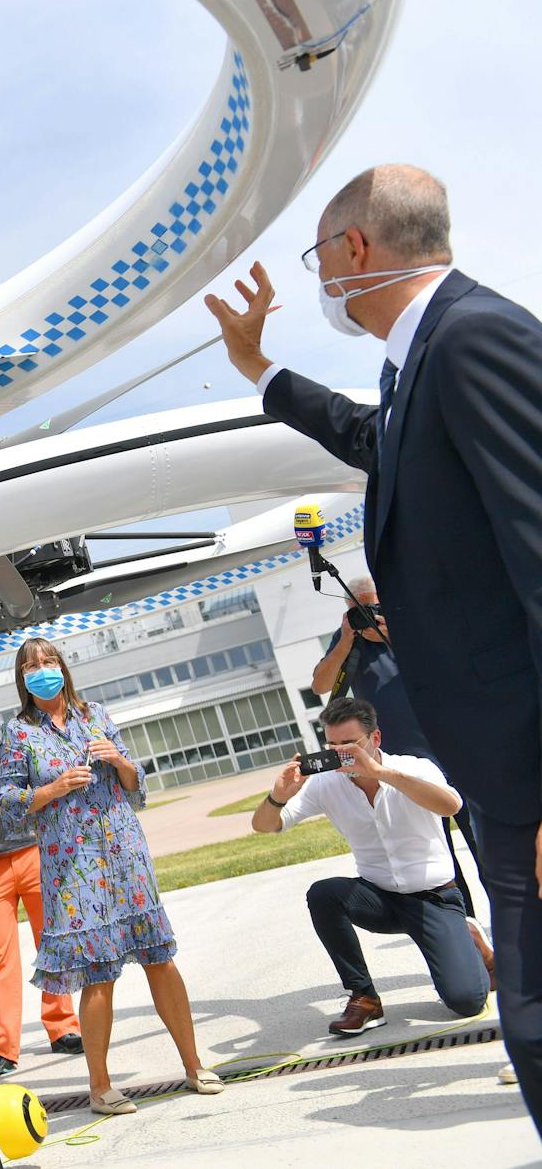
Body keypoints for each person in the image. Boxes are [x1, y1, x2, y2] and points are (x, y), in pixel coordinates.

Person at [205, 163, 542, 1125]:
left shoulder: (474, 340)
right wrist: (259, 369)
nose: (320, 276)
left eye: (319, 255)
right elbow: (370, 434)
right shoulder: (421, 360)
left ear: (356, 249)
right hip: (499, 773)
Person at [0, 637, 222, 1115]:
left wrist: (119, 762)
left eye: (50, 661)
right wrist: (52, 789)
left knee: (160, 958)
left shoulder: (94, 712)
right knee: (99, 973)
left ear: (63, 667)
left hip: (125, 852)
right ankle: (100, 1088)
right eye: (33, 665)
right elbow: (9, 804)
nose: (43, 670)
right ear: (22, 677)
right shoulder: (17, 732)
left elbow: (136, 786)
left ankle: (195, 1065)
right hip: (73, 862)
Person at [252, 696, 492, 1034]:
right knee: (323, 894)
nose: (340, 754)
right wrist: (279, 796)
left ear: (374, 739)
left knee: (466, 1001)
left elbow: (451, 805)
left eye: (350, 745)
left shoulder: (414, 767)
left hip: (434, 898)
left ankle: (470, 939)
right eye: (332, 746)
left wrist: (382, 774)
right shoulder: (325, 783)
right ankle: (364, 999)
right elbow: (264, 825)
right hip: (379, 898)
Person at [312, 574, 485, 918]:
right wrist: (347, 640)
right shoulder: (349, 640)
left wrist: (395, 634)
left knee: (487, 847)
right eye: (358, 607)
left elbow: (453, 664)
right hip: (408, 768)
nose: (367, 612)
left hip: (457, 758)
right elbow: (320, 684)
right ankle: (466, 934)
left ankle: (515, 930)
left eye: (373, 604)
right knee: (439, 858)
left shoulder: (413, 623)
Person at [0, 677, 82, 1078]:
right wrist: (16, 798)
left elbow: (38, 788)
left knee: (54, 944)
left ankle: (64, 1028)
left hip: (33, 852)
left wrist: (7, 798)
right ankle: (0, 1048)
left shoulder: (12, 741)